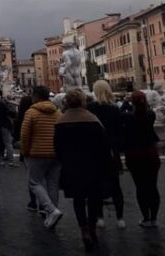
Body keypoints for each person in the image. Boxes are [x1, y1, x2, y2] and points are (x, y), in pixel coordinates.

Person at [55, 88, 114, 251]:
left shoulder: (61, 122)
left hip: (72, 166)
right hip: (93, 165)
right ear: (83, 101)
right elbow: (104, 146)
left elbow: (58, 148)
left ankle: (84, 228)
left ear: (66, 102)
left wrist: (66, 162)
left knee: (78, 199)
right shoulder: (93, 120)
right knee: (94, 197)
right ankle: (92, 225)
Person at [20, 86, 63, 230]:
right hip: (55, 154)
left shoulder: (31, 112)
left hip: (37, 153)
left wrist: (25, 151)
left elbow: (24, 135)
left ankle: (51, 210)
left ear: (36, 96)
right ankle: (52, 214)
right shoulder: (58, 112)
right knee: (53, 184)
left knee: (34, 182)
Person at [87, 80, 125, 229]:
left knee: (96, 186)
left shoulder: (90, 108)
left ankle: (99, 217)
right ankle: (120, 218)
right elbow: (120, 132)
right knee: (116, 186)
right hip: (111, 152)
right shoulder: (115, 109)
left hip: (95, 152)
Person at [122, 90, 161, 228]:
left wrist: (126, 103)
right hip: (150, 152)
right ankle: (154, 218)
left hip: (134, 153)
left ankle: (145, 218)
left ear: (132, 101)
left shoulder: (127, 117)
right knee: (152, 186)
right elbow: (145, 112)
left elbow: (122, 115)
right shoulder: (151, 114)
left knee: (140, 187)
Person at [14, 91, 37, 212]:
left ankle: (34, 202)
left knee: (31, 177)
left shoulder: (20, 119)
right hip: (43, 150)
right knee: (44, 179)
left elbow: (16, 137)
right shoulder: (39, 114)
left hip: (28, 152)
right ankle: (46, 204)